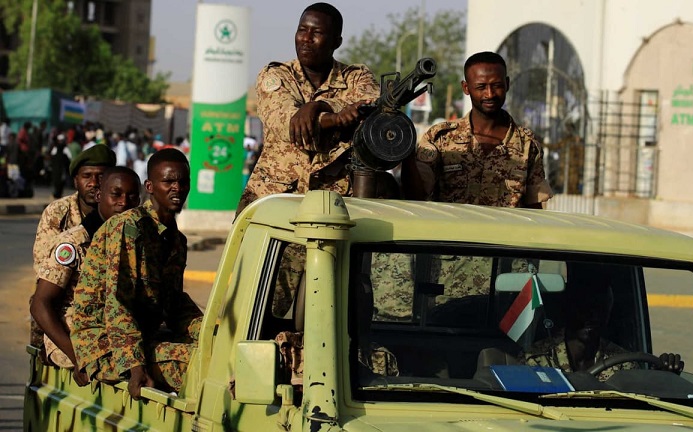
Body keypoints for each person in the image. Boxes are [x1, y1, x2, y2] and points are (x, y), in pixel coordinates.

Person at [71, 148, 202, 400]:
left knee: (216, 354)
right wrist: (135, 367)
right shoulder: (129, 226)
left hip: (144, 337)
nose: (177, 188)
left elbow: (175, 305)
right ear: (150, 187)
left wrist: (211, 334)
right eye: (168, 181)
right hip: (105, 344)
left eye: (183, 182)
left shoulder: (176, 240)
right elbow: (117, 304)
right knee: (195, 364)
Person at [235, 2, 380, 217]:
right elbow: (287, 124)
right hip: (274, 202)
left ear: (336, 42)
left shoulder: (356, 76)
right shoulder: (276, 75)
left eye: (317, 32)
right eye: (302, 30)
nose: (306, 38)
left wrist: (323, 105)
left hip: (334, 207)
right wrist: (336, 119)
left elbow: (372, 103)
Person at [31, 167, 141, 385]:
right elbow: (40, 305)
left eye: (131, 197)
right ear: (100, 196)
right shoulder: (73, 244)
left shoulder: (135, 240)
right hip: (73, 337)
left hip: (116, 333)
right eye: (116, 195)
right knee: (122, 367)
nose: (124, 203)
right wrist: (77, 357)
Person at [401, 51, 553, 208]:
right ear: (466, 87)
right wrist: (406, 150)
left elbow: (533, 210)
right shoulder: (440, 138)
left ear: (507, 84)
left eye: (497, 86)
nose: (490, 94)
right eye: (481, 87)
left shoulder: (527, 144)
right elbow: (416, 196)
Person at [517, 265, 684, 382]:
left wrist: (664, 377)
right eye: (585, 306)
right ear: (569, 307)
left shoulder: (624, 363)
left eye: (601, 307)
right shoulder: (536, 360)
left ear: (609, 311)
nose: (593, 315)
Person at [30, 145, 117, 348]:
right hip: (65, 305)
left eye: (101, 176)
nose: (94, 183)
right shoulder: (58, 212)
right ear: (76, 181)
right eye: (87, 176)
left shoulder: (121, 210)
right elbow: (45, 267)